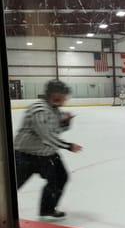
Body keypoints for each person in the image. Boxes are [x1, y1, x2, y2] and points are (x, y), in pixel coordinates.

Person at [14, 80, 83, 219]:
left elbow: (56, 130)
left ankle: (47, 209)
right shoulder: (39, 109)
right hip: (25, 155)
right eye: (63, 96)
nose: (65, 99)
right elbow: (47, 136)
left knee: (59, 178)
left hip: (47, 154)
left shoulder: (54, 110)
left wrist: (66, 122)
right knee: (12, 185)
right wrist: (69, 146)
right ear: (54, 95)